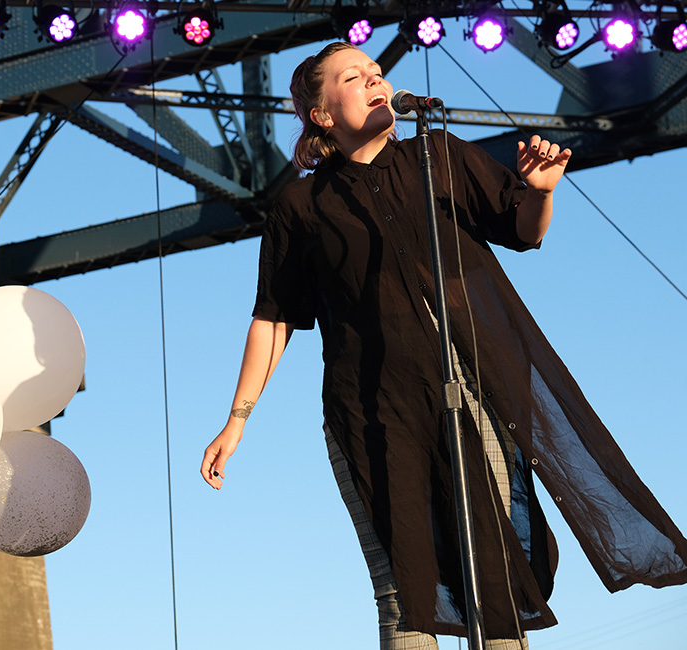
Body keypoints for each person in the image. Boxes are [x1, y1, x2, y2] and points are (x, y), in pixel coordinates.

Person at [200, 42, 687, 650]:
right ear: (321, 113)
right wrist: (236, 419)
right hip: (371, 411)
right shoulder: (301, 205)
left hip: (473, 391)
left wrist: (540, 192)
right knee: (407, 595)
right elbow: (273, 318)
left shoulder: (438, 156)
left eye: (379, 72)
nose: (377, 81)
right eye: (355, 77)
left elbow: (522, 230)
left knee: (494, 584)